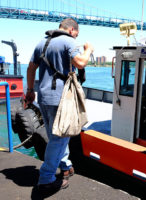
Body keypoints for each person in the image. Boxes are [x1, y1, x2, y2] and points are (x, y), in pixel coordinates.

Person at [25, 18, 94, 192]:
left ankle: (66, 167)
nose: (76, 37)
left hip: (43, 98)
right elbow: (80, 63)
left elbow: (31, 68)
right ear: (72, 30)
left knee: (56, 137)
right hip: (61, 99)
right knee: (59, 138)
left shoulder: (42, 42)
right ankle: (46, 178)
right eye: (77, 34)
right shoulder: (69, 41)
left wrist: (30, 90)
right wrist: (88, 50)